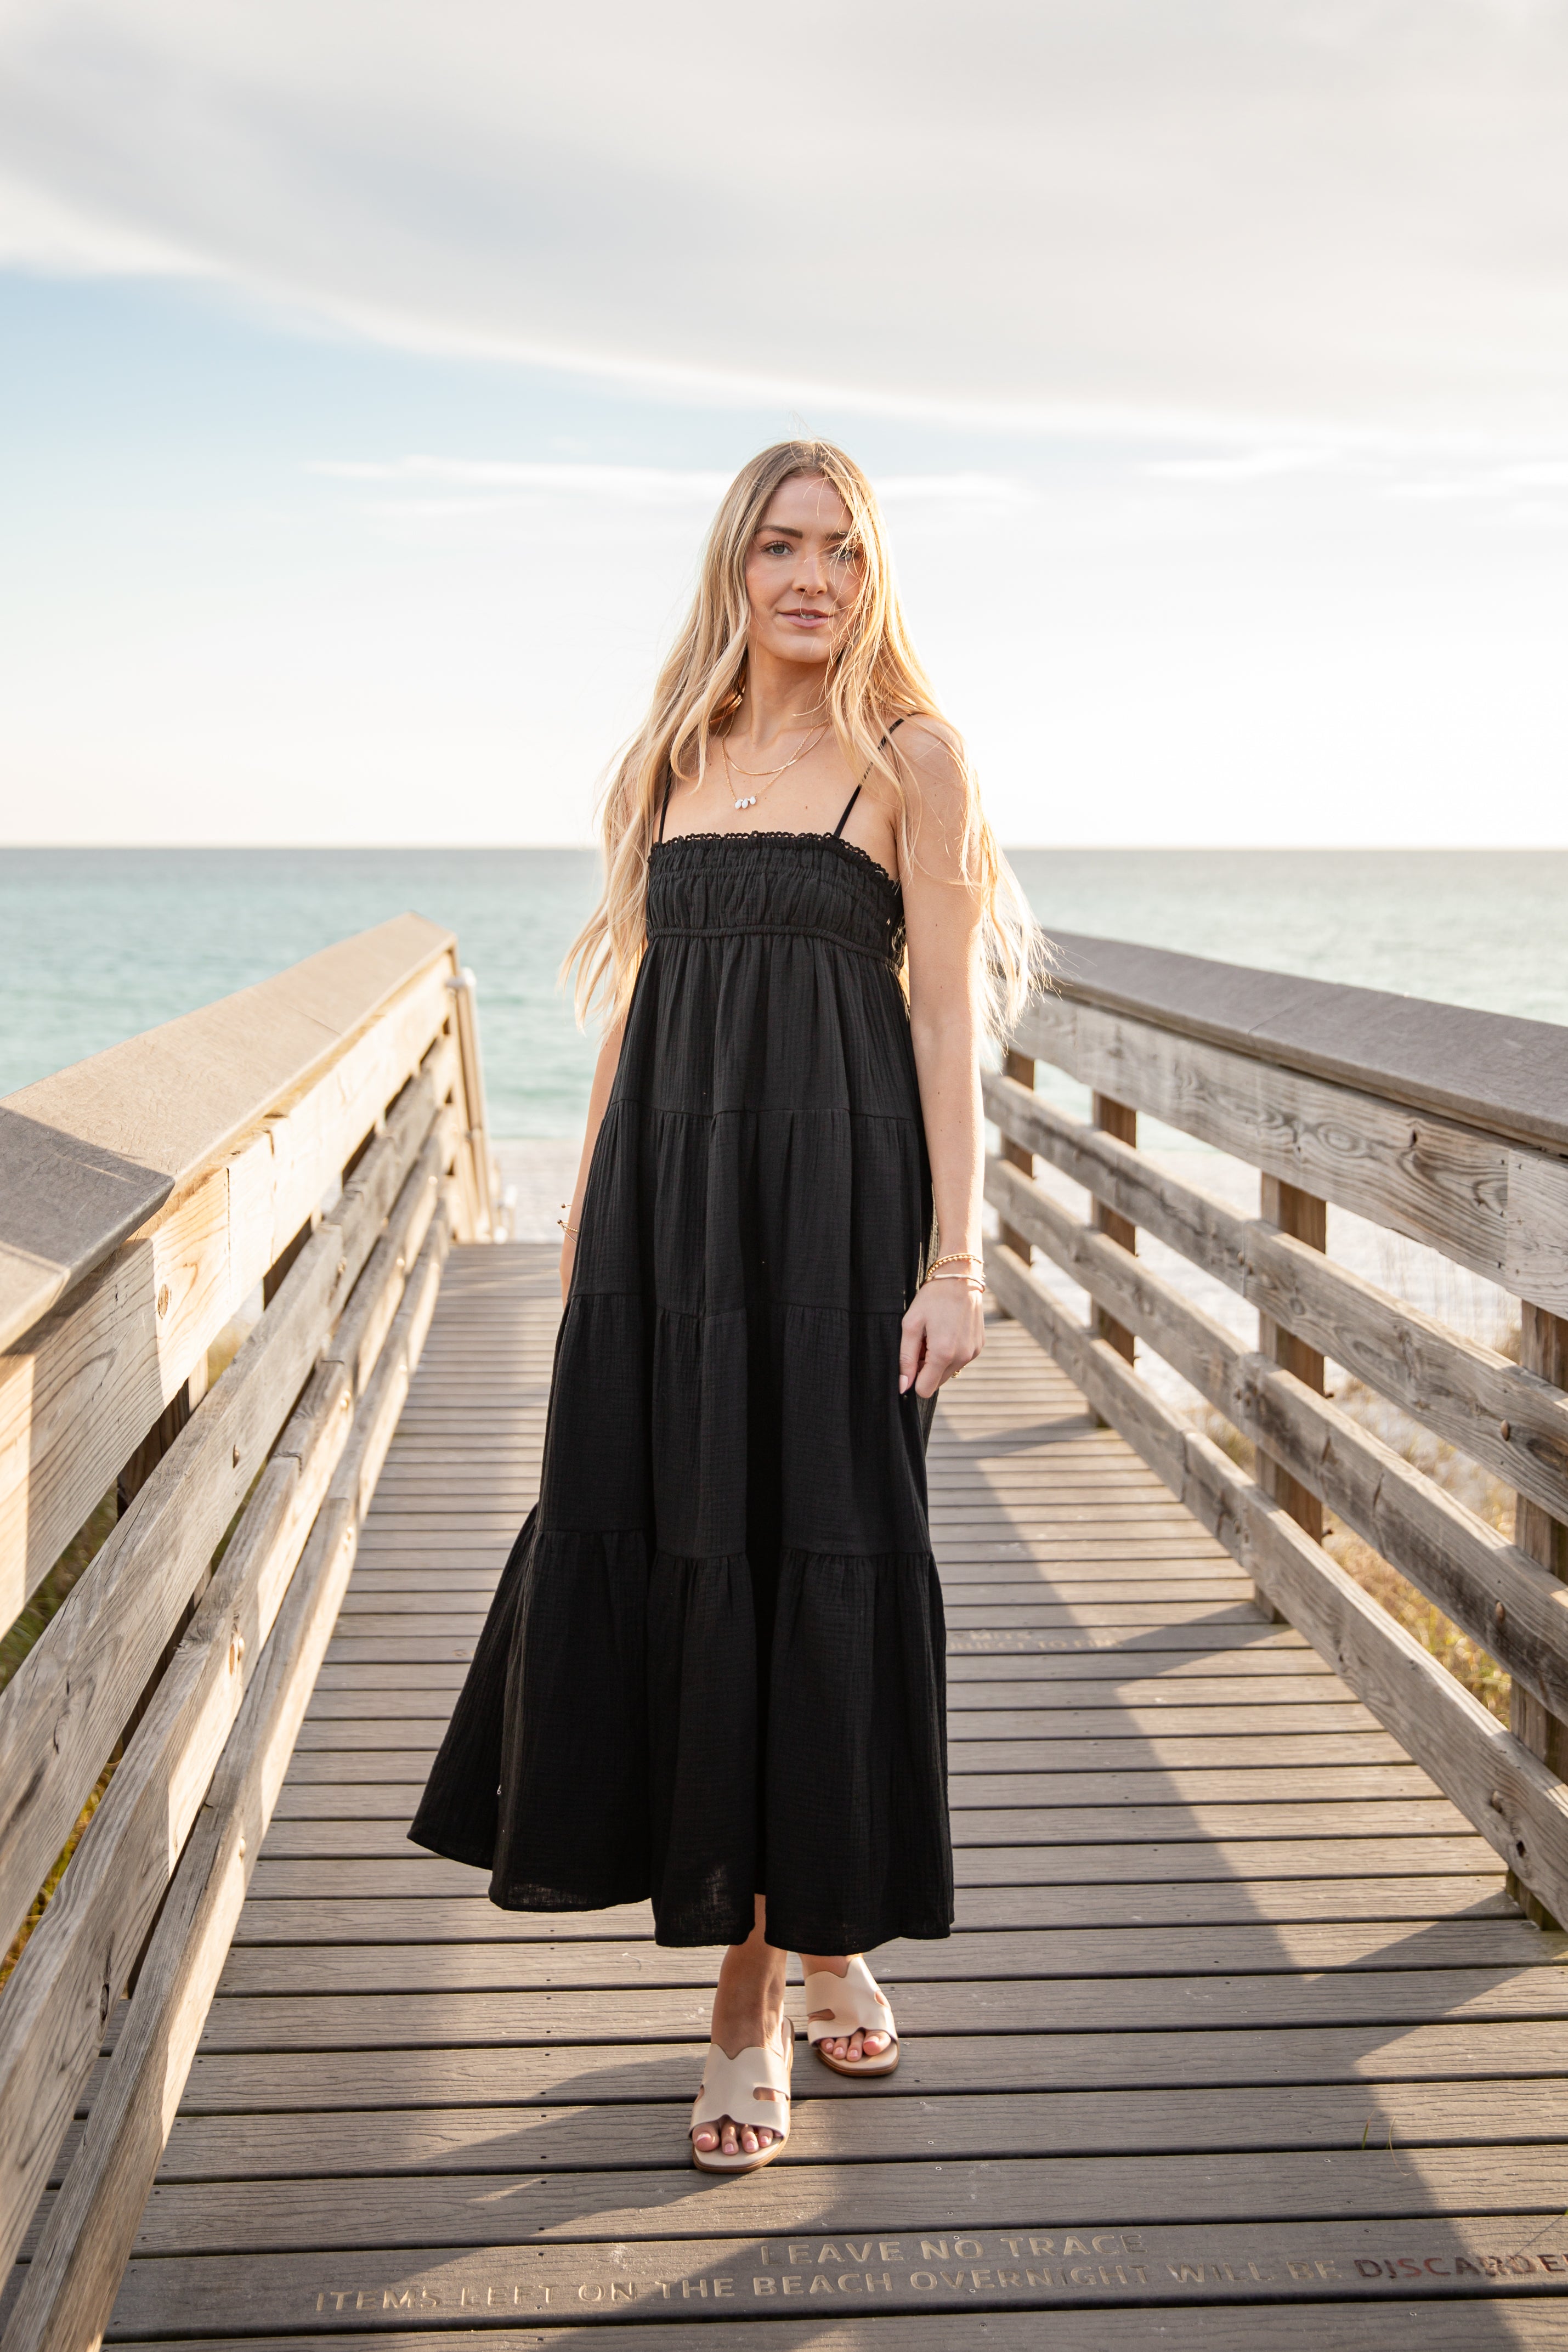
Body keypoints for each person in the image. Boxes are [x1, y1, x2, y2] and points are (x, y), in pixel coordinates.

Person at [410, 439, 1041, 2174]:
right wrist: (583, 1211)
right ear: (734, 566)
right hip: (664, 1233)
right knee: (686, 1555)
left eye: (842, 550)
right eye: (780, 546)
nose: (811, 579)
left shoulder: (915, 759)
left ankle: (747, 2007)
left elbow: (940, 1025)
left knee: (807, 1575)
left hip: (838, 1230)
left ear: (873, 573)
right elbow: (637, 1000)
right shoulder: (671, 760)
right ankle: (824, 1934)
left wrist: (957, 1257)